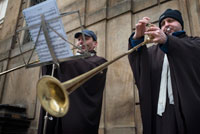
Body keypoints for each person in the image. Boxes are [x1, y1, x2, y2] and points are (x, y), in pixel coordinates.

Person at [128, 9, 200, 134]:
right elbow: (140, 66)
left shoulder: (194, 43)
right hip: (158, 114)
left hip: (186, 112)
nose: (166, 24)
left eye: (171, 21)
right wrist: (137, 40)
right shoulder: (152, 52)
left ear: (181, 24)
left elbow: (189, 53)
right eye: (163, 23)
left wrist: (167, 42)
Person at [38, 30, 107, 134]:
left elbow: (84, 68)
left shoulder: (99, 61)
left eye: (86, 39)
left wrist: (63, 59)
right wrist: (47, 60)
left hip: (78, 114)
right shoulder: (68, 60)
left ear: (95, 44)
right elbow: (51, 76)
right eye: (79, 39)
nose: (81, 42)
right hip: (57, 108)